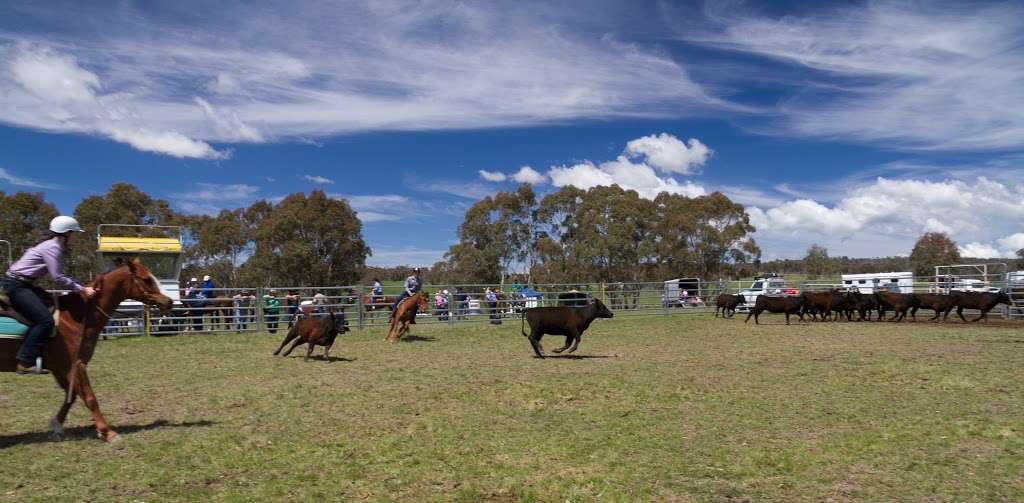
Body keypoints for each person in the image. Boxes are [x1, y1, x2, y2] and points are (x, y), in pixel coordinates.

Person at [2, 216, 98, 374]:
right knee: (45, 320)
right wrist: (81, 289)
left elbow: (59, 275)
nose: (75, 236)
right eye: (74, 233)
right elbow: (57, 277)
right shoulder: (53, 247)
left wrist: (80, 285)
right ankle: (25, 361)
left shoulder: (51, 244)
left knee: (51, 304)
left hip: (23, 283)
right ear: (66, 233)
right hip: (17, 286)